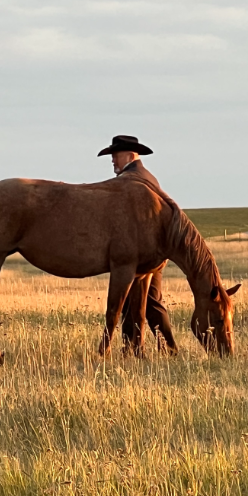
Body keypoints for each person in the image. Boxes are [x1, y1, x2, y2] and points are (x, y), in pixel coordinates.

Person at [97, 135, 178, 355]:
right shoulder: (144, 177)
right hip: (147, 251)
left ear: (131, 155)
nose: (113, 160)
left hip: (145, 253)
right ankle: (134, 346)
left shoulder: (133, 180)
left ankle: (168, 347)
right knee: (137, 301)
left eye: (116, 155)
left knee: (149, 302)